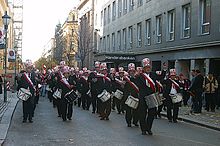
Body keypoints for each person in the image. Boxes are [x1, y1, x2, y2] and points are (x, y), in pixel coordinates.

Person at [136, 58, 166, 135]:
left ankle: (148, 128)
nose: (148, 69)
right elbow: (138, 85)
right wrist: (136, 76)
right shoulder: (140, 76)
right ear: (144, 68)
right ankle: (143, 129)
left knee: (152, 113)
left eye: (149, 67)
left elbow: (161, 77)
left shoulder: (153, 74)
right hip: (143, 97)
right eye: (146, 67)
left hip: (152, 97)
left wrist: (164, 69)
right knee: (142, 114)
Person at [123, 63, 139, 127]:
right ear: (129, 72)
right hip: (128, 96)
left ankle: (135, 121)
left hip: (135, 95)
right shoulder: (126, 78)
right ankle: (129, 122)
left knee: (136, 110)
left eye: (133, 71)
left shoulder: (137, 78)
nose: (132, 72)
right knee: (128, 111)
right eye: (130, 71)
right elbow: (123, 87)